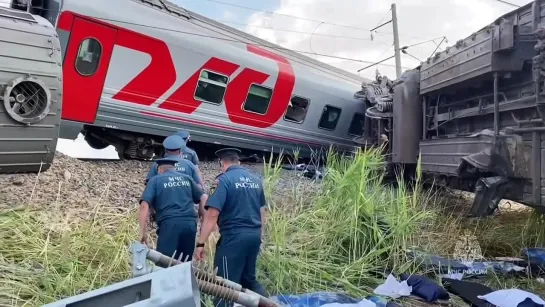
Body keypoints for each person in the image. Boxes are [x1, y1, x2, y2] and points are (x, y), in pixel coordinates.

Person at [195, 148, 268, 306]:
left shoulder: (223, 180)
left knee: (224, 283)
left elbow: (213, 214)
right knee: (249, 279)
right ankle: (271, 304)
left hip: (234, 238)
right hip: (254, 236)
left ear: (222, 163)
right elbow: (262, 211)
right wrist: (259, 236)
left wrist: (201, 243)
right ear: (238, 162)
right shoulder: (256, 180)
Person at [139, 157, 207, 263]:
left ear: (159, 169)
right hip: (189, 224)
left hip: (169, 224)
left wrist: (143, 233)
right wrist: (203, 217)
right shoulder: (187, 178)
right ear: (174, 169)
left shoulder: (155, 180)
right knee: (184, 263)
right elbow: (203, 197)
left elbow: (144, 205)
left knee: (164, 263)